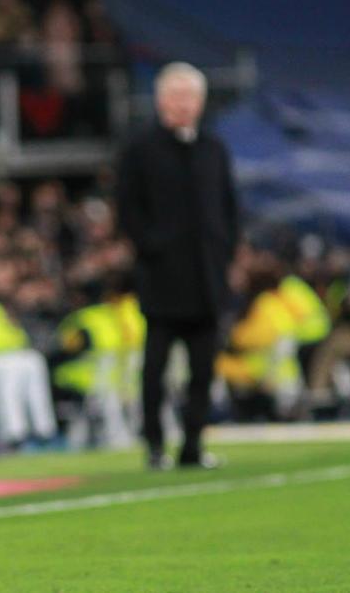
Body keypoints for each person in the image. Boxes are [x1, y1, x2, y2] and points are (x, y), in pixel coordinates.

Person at [117, 62, 238, 470]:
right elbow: (128, 209)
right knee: (155, 369)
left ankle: (192, 445)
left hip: (207, 277)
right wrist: (152, 247)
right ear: (161, 99)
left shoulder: (213, 148)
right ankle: (153, 444)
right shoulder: (140, 148)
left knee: (203, 371)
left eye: (192, 97)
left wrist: (225, 253)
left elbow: (228, 207)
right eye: (178, 96)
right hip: (163, 279)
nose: (185, 104)